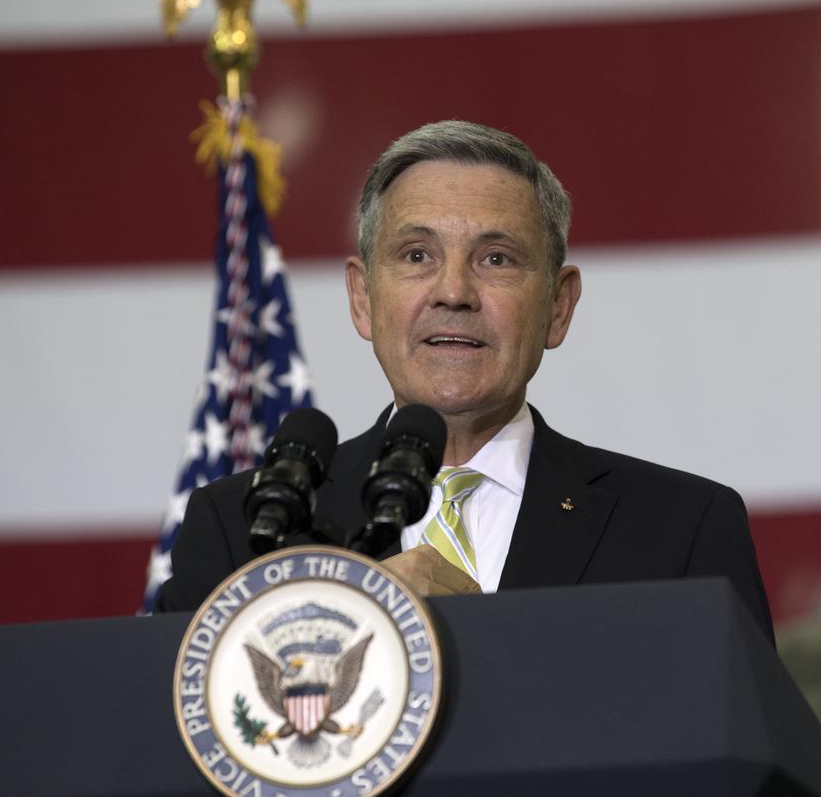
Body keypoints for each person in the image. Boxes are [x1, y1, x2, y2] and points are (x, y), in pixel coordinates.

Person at [156, 120, 774, 642]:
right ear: (362, 299)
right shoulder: (239, 528)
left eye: (496, 259)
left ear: (558, 306)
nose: (453, 292)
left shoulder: (683, 529)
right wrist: (357, 623)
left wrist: (485, 645)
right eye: (417, 255)